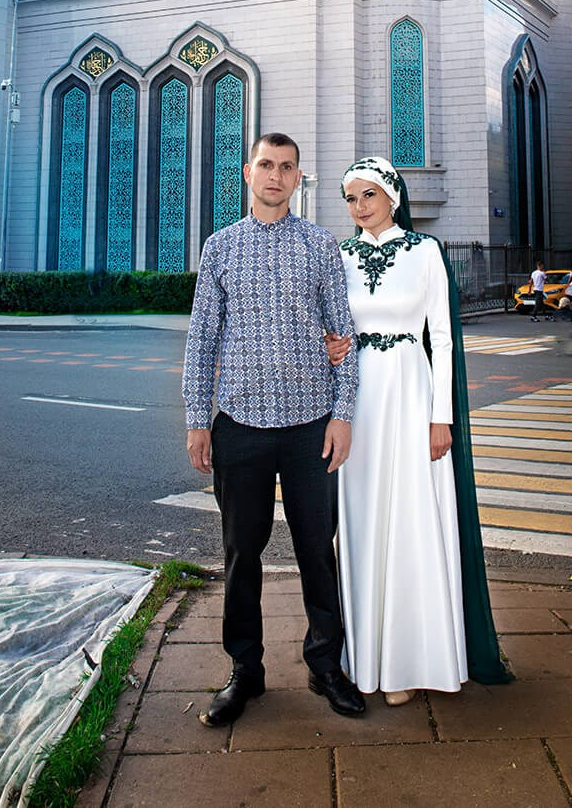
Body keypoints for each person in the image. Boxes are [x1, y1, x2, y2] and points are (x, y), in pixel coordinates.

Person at [182, 133, 365, 727]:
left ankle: (325, 667)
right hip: (239, 427)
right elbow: (202, 340)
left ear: (298, 178)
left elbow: (345, 339)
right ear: (247, 173)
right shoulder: (220, 247)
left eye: (287, 168)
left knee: (318, 550)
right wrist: (197, 420)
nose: (276, 176)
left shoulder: (320, 246)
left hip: (310, 425)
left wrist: (343, 415)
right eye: (267, 165)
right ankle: (245, 672)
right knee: (242, 554)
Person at [329, 156, 512, 706]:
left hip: (411, 392)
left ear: (392, 195)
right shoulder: (339, 258)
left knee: (412, 518)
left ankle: (412, 659)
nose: (361, 207)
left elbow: (443, 339)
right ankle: (368, 661)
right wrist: (329, 342)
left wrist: (442, 418)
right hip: (357, 399)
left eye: (369, 195)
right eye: (352, 198)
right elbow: (331, 326)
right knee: (362, 521)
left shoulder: (425, 252)